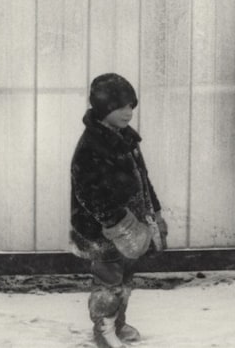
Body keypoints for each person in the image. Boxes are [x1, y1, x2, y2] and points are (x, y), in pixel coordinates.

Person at [70, 73, 168, 348]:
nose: (129, 113)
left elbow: (143, 179)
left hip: (131, 222)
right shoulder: (91, 147)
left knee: (125, 276)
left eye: (131, 106)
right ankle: (104, 328)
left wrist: (154, 212)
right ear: (104, 108)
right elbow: (88, 193)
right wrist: (115, 223)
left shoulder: (126, 139)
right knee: (107, 279)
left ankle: (118, 322)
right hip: (103, 229)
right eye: (122, 107)